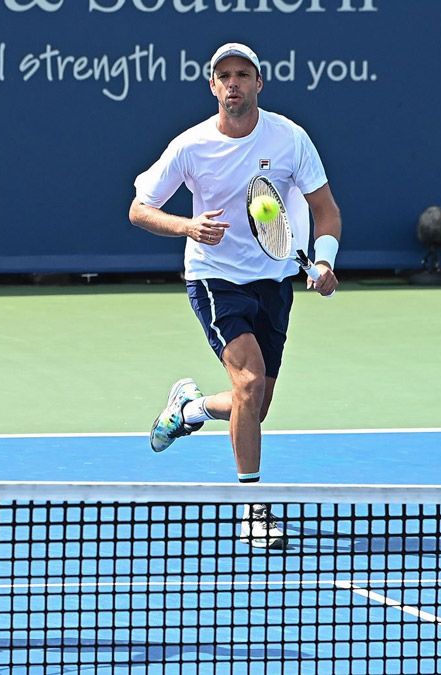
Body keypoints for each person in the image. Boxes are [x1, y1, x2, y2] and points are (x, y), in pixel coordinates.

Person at [128, 43, 341, 550]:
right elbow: (139, 208)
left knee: (257, 403)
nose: (233, 84)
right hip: (213, 278)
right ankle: (252, 508)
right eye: (223, 76)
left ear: (258, 83)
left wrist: (326, 258)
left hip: (273, 280)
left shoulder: (290, 139)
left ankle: (190, 410)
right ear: (212, 86)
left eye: (242, 75)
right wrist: (188, 225)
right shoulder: (190, 146)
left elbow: (325, 211)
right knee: (247, 385)